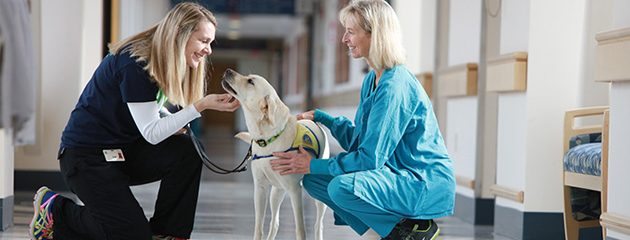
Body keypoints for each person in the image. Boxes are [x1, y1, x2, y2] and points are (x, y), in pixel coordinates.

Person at [29, 2, 240, 240]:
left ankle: (168, 233)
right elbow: (151, 132)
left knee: (187, 151)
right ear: (179, 34)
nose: (208, 50)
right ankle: (56, 211)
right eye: (204, 41)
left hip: (121, 153)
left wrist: (173, 120)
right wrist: (200, 105)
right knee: (132, 235)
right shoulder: (135, 63)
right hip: (86, 159)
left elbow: (148, 112)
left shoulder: (159, 61)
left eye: (210, 42)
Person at [270, 0, 455, 239]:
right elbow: (361, 142)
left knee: (340, 187)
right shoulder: (372, 80)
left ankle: (414, 231)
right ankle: (387, 233)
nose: (344, 39)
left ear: (375, 34)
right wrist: (326, 120)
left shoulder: (395, 86)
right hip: (396, 174)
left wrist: (311, 163)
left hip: (420, 182)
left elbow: (369, 159)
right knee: (314, 181)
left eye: (350, 31)